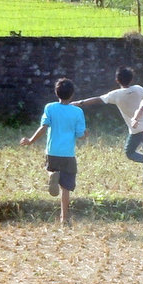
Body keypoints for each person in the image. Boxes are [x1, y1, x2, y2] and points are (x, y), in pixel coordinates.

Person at [20, 78, 87, 225]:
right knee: (66, 188)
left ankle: (52, 175)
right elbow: (80, 135)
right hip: (68, 154)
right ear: (72, 94)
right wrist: (86, 134)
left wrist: (30, 140)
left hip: (52, 151)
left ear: (56, 93)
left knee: (49, 168)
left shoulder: (50, 107)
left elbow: (43, 127)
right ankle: (64, 218)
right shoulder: (77, 111)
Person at [72, 66, 143, 163]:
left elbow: (98, 99)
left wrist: (80, 103)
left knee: (130, 152)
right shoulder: (138, 89)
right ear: (132, 79)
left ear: (117, 80)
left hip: (136, 130)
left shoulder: (116, 94)